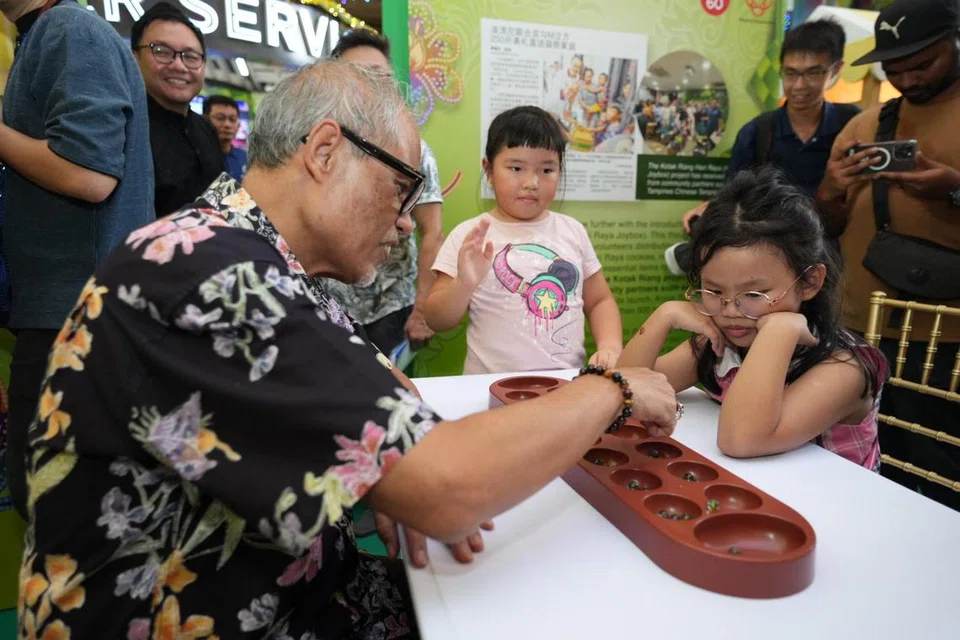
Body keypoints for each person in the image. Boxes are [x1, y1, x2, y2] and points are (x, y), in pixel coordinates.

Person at [17, 60, 679, 639]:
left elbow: (387, 393)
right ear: (326, 150)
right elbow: (450, 488)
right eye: (399, 188)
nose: (403, 221)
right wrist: (611, 388)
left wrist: (394, 471)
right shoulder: (213, 272)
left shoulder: (249, 258)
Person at [620, 167, 886, 469]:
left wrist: (778, 333)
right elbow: (626, 393)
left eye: (755, 294)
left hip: (833, 508)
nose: (731, 310)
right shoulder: (721, 343)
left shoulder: (845, 368)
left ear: (810, 282)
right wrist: (662, 317)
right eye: (713, 290)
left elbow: (741, 440)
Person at [0, 0, 154, 518]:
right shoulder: (47, 33)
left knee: (59, 507)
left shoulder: (68, 28)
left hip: (74, 315)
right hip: (68, 310)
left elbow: (88, 173)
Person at [816, 0, 960, 510]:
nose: (907, 78)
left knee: (942, 466)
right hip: (861, 326)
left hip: (944, 335)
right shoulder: (867, 125)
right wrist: (832, 188)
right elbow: (827, 226)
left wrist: (952, 190)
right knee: (868, 460)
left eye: (922, 64)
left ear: (954, 40)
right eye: (894, 68)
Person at [425, 106, 623, 373]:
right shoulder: (469, 235)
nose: (531, 182)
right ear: (489, 170)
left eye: (546, 170)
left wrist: (610, 345)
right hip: (491, 389)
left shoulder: (573, 230)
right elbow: (437, 319)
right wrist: (464, 284)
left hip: (567, 387)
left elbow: (600, 300)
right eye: (516, 168)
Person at [665, 19, 859, 276]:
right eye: (790, 73)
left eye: (812, 72)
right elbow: (736, 194)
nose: (799, 85)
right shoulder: (758, 132)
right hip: (773, 259)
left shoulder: (853, 127)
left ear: (835, 70)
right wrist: (711, 207)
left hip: (835, 259)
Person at [320, 30, 445, 359]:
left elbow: (432, 233)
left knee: (388, 401)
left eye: (380, 77)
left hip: (393, 310)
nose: (371, 87)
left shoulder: (415, 151)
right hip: (324, 307)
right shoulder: (316, 147)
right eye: (358, 76)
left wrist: (422, 310)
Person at [132, 1, 223, 217]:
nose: (179, 66)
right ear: (135, 58)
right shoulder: (125, 128)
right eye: (162, 52)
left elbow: (225, 204)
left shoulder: (206, 129)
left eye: (190, 56)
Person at [203, 94, 247, 182]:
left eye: (232, 119)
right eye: (220, 118)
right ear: (204, 120)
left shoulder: (246, 158)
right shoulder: (197, 157)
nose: (227, 124)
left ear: (238, 125)